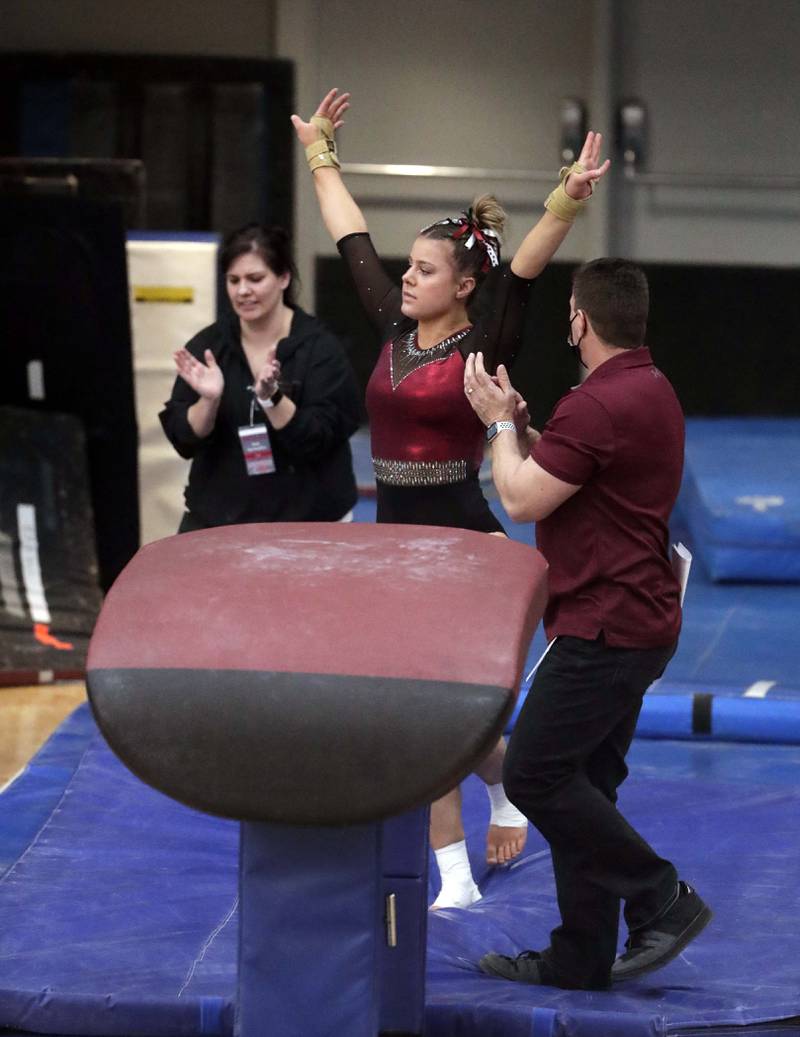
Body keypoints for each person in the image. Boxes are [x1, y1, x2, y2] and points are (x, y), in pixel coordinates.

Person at [291, 88, 609, 909]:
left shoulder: (486, 340)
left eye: (426, 270)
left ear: (466, 285)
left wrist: (566, 199)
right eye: (409, 267)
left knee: (432, 715)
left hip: (462, 541)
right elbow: (348, 230)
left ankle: (456, 879)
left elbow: (530, 262)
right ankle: (502, 793)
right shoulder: (392, 330)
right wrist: (321, 152)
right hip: (394, 540)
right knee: (438, 719)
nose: (406, 277)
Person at [463, 258, 711, 988]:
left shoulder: (598, 403)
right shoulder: (649, 388)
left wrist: (495, 428)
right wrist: (522, 424)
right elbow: (571, 471)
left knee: (534, 772)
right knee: (587, 785)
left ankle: (660, 893)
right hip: (639, 619)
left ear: (578, 319)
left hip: (605, 625)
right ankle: (581, 954)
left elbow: (520, 499)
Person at [160, 223, 361, 531]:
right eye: (233, 280)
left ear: (283, 278)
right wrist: (209, 401)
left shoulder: (319, 349)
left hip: (308, 521)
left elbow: (317, 440)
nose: (243, 291)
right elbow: (184, 440)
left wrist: (272, 398)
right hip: (221, 518)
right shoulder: (209, 347)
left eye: (255, 279)